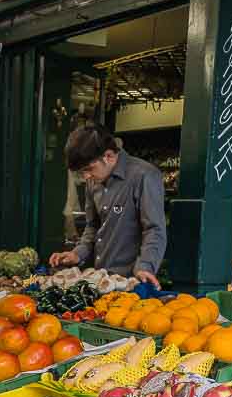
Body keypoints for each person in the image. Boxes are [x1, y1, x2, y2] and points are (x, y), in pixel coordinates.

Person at [49, 123, 167, 288]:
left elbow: (154, 230)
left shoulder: (144, 176)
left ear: (109, 156)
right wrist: (77, 254)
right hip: (99, 281)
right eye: (82, 172)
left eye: (89, 169)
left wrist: (146, 266)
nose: (86, 176)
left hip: (132, 284)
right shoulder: (93, 181)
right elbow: (93, 226)